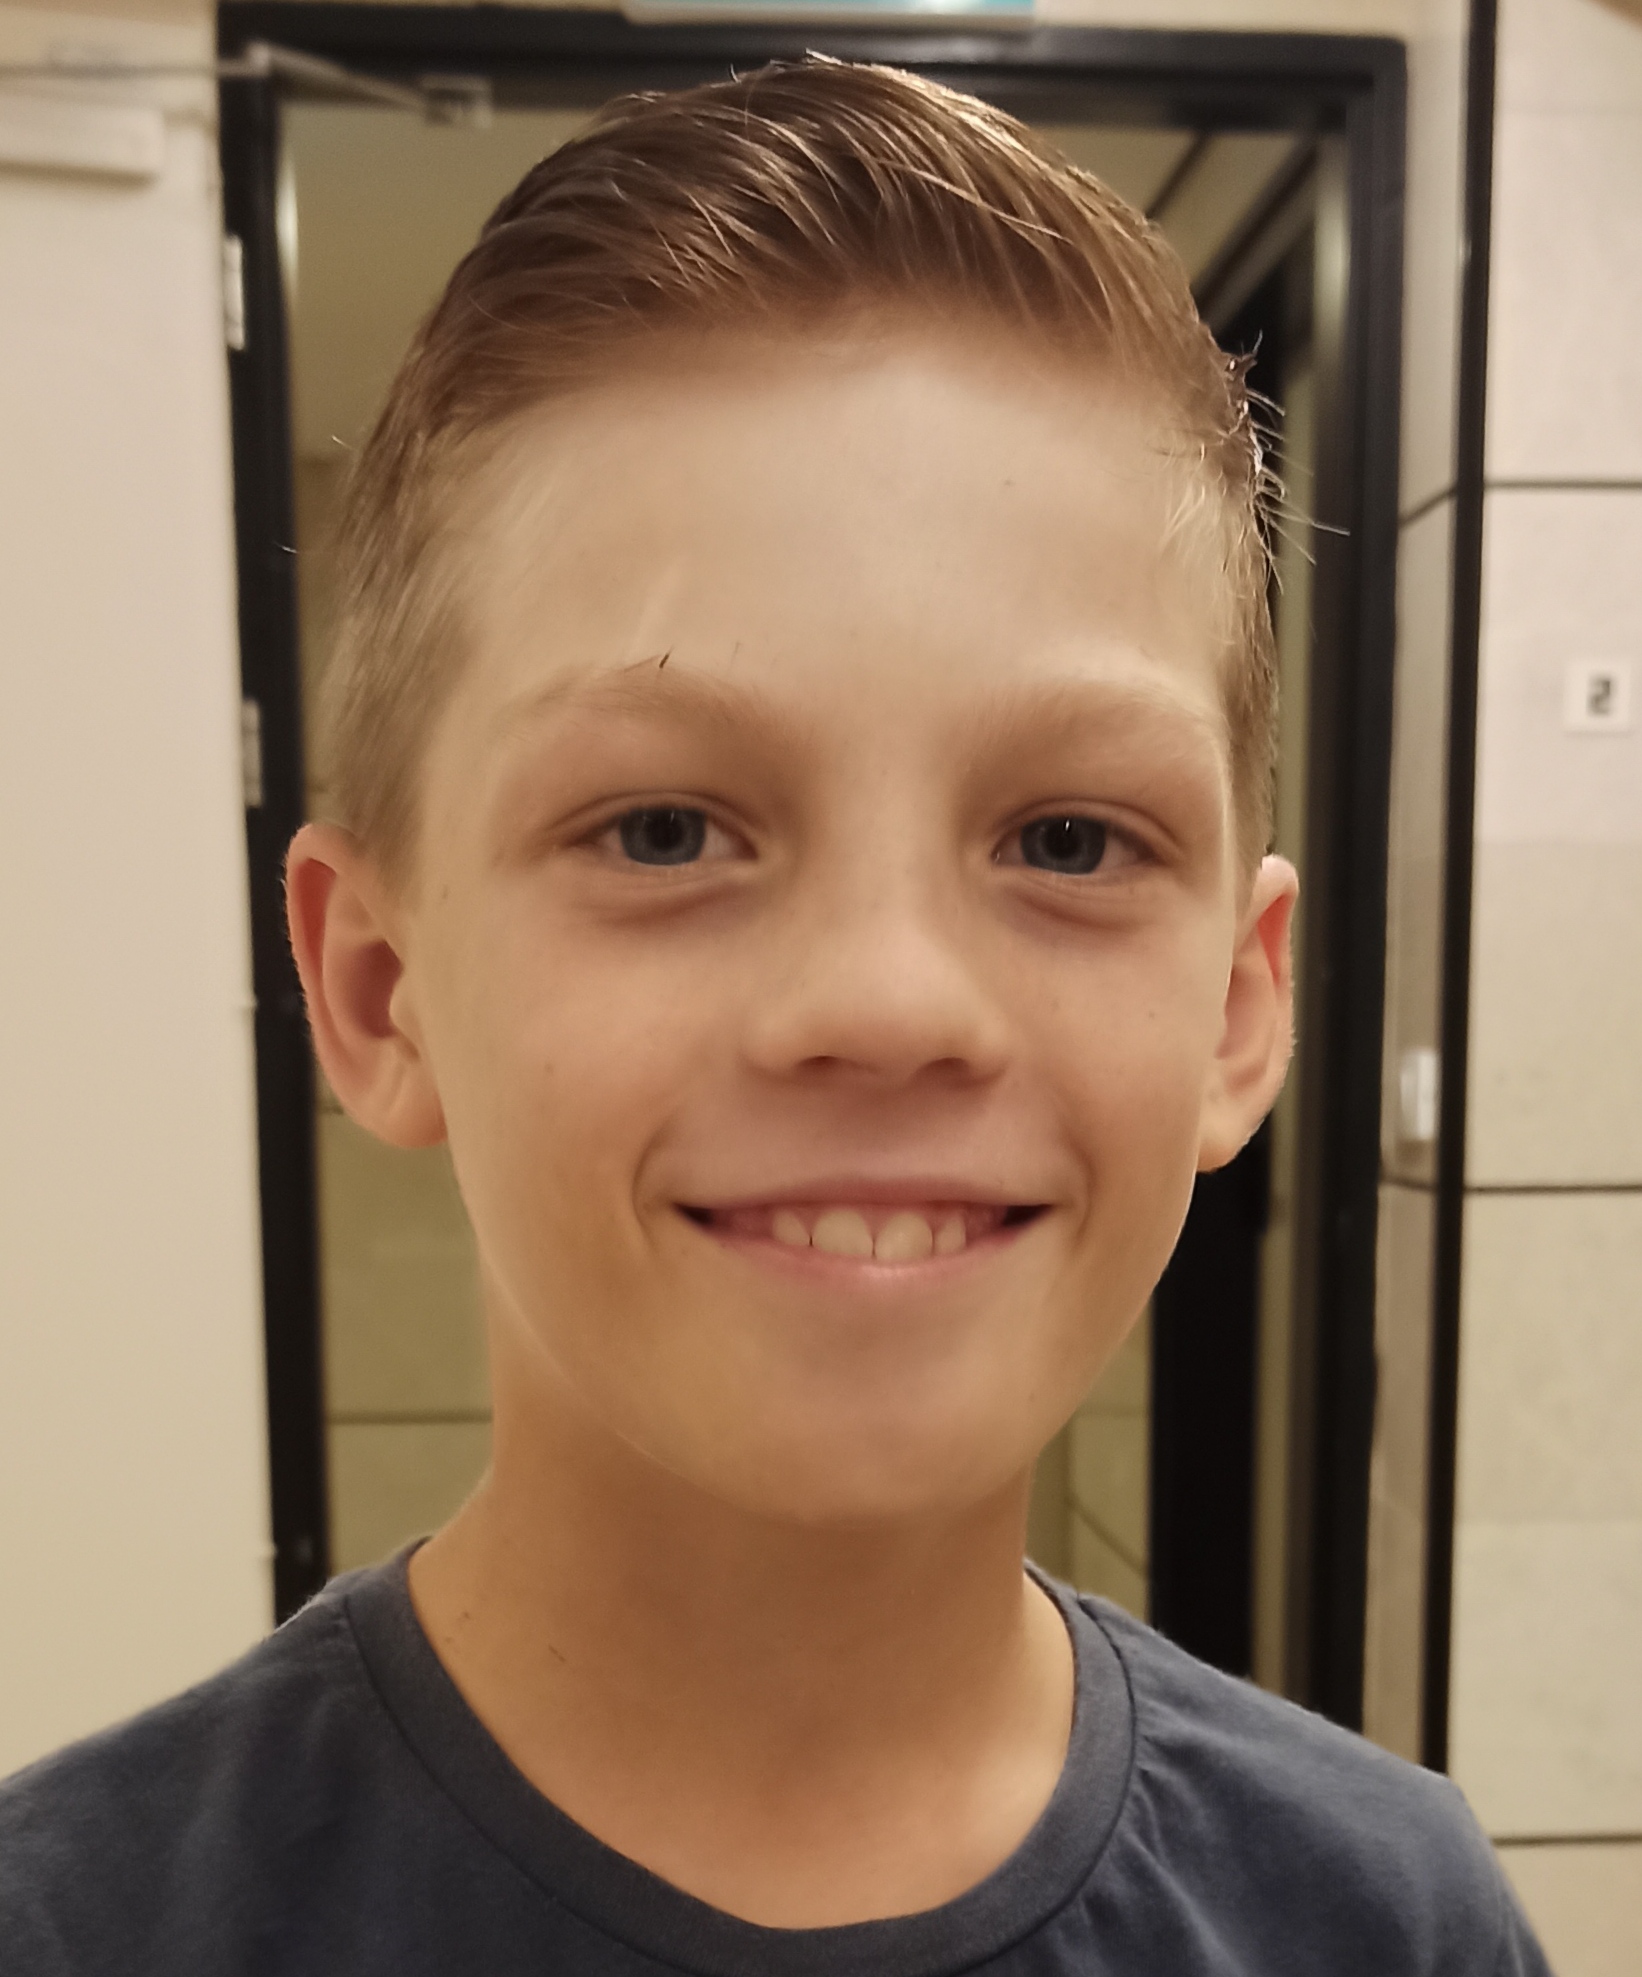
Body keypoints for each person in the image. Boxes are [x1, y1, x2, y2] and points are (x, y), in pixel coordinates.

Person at [0, 58, 1549, 1976]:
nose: (887, 1000)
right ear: (378, 988)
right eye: (663, 829)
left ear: (1238, 1010)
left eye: (1068, 837)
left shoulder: (1384, 1918)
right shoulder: (75, 1928)